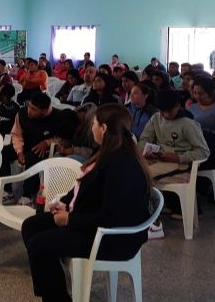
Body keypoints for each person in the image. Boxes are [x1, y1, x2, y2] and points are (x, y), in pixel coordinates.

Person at [21, 104, 152, 302]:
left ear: (104, 128)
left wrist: (69, 219)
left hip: (112, 237)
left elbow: (110, 217)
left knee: (40, 245)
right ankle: (54, 286)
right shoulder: (109, 153)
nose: (92, 128)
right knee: (31, 226)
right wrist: (64, 203)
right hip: (95, 222)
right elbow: (87, 188)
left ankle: (56, 298)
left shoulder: (122, 166)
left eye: (94, 124)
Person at [11, 93, 80, 205]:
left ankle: (27, 195)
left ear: (44, 111)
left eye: (34, 109)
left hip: (44, 149)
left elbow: (62, 138)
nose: (29, 111)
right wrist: (19, 151)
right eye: (29, 106)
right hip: (23, 143)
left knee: (31, 157)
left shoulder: (58, 117)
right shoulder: (22, 113)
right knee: (4, 153)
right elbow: (16, 134)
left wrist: (47, 142)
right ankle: (8, 191)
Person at [139, 90, 210, 183]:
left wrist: (179, 158)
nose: (166, 115)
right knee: (129, 170)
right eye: (162, 111)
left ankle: (154, 196)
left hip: (180, 165)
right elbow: (144, 139)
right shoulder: (156, 118)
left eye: (169, 111)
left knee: (141, 175)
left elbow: (204, 151)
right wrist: (147, 151)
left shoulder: (187, 124)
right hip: (158, 159)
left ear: (178, 106)